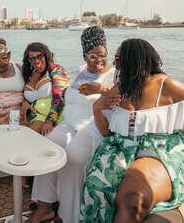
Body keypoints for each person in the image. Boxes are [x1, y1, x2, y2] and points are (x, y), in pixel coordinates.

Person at [80, 39, 184, 222]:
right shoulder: (122, 87)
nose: (114, 64)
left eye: (119, 59)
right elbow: (106, 133)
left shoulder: (169, 86)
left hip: (157, 152)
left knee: (132, 199)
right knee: (94, 187)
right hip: (121, 151)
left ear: (135, 60)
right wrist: (97, 107)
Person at [28, 26, 116, 223]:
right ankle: (44, 207)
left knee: (72, 159)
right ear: (84, 56)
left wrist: (101, 89)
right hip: (70, 124)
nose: (98, 61)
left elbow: (122, 101)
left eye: (102, 55)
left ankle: (67, 216)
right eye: (92, 56)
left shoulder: (115, 75)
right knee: (46, 148)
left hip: (94, 127)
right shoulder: (81, 71)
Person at [20, 42, 69, 136]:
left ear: (46, 56)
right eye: (32, 58)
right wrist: (24, 102)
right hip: (35, 116)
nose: (37, 61)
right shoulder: (27, 75)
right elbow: (25, 94)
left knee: (27, 138)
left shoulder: (56, 69)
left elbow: (60, 96)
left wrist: (50, 121)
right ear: (29, 61)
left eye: (39, 56)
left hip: (54, 116)